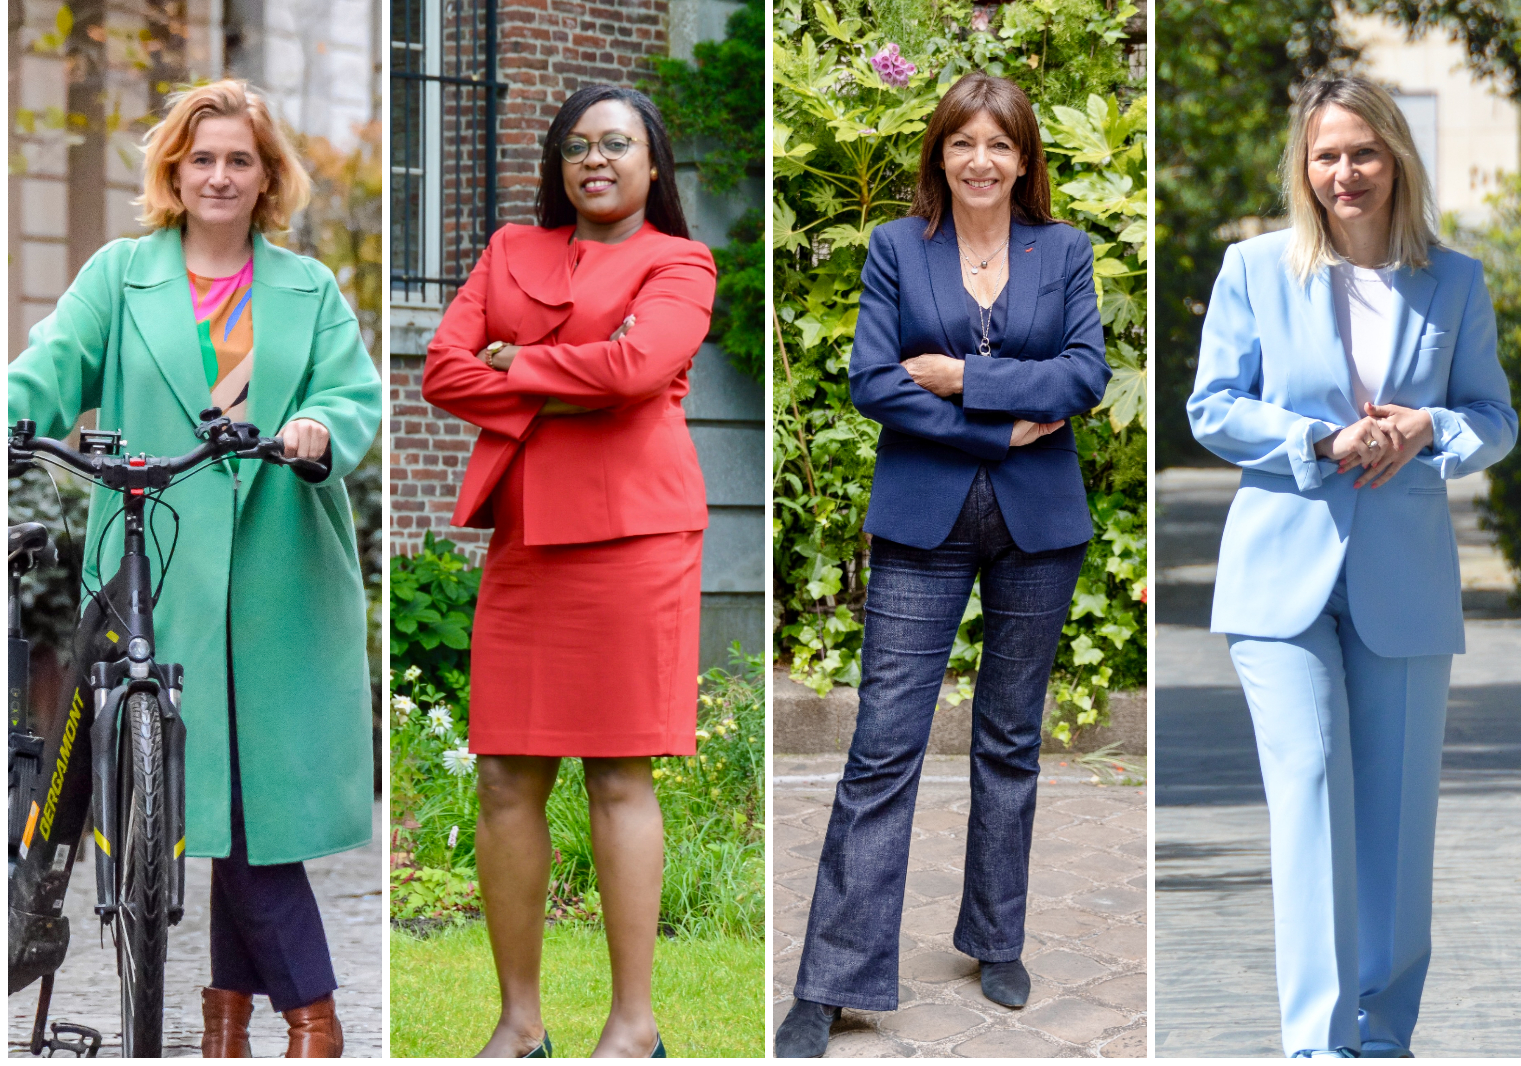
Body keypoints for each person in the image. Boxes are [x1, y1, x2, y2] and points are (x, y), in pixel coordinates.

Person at [7, 79, 379, 1057]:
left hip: (280, 581)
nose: (219, 174)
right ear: (174, 169)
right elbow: (52, 364)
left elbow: (353, 399)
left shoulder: (308, 288)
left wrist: (318, 430)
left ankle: (258, 1021)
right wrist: (15, 415)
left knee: (250, 810)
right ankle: (286, 1018)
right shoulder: (121, 275)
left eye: (240, 159)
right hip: (152, 559)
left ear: (267, 178)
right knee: (213, 803)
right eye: (202, 157)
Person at [773, 71, 1111, 1058]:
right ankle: (831, 980)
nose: (980, 161)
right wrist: (999, 432)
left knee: (1010, 739)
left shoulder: (1067, 252)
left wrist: (963, 377)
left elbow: (1084, 375)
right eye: (962, 142)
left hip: (1040, 528)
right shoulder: (895, 250)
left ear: (1024, 160)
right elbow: (873, 379)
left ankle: (995, 937)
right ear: (938, 153)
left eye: (999, 145)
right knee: (883, 746)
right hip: (923, 522)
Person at [1186, 76, 1516, 1057]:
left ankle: (1384, 1038)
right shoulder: (1255, 268)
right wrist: (1319, 442)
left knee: (1399, 825)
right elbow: (1213, 407)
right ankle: (1319, 1046)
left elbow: (1495, 419)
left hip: (1406, 582)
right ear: (1304, 168)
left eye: (1362, 152)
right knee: (1312, 797)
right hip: (1278, 582)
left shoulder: (1453, 281)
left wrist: (1432, 428)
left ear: (1396, 160)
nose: (1344, 173)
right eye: (1326, 156)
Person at [421, 83, 715, 1059]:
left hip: (635, 541)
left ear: (652, 165)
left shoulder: (680, 262)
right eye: (578, 145)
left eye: (617, 144)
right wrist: (574, 376)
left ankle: (634, 1027)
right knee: (505, 774)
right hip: (527, 542)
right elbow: (443, 369)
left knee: (619, 775)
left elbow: (641, 371)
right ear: (558, 164)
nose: (596, 158)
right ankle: (520, 1023)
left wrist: (521, 362)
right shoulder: (512, 250)